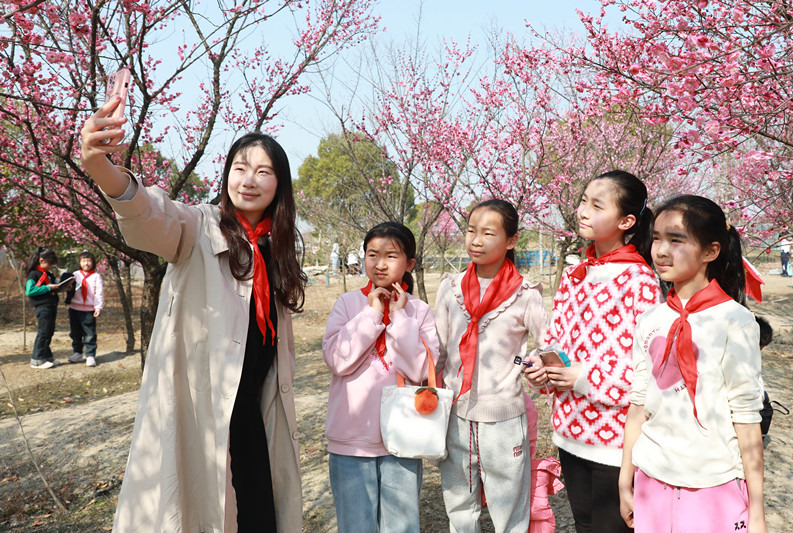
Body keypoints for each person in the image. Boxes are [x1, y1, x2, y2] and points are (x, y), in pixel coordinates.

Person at [80, 96, 306, 531]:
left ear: (280, 184)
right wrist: (98, 165)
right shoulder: (199, 227)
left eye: (264, 171)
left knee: (261, 513)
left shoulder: (276, 249)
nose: (249, 180)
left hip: (254, 413)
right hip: (206, 410)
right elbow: (147, 212)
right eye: (240, 168)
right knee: (204, 509)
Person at [523, 170, 662, 533]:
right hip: (569, 434)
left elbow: (648, 375)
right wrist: (543, 368)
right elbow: (556, 342)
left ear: (626, 221)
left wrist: (582, 378)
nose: (583, 210)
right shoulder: (574, 275)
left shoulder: (641, 281)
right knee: (584, 525)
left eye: (596, 205)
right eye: (584, 200)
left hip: (616, 443)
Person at [619, 195, 766, 533]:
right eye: (656, 238)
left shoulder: (735, 321)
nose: (661, 250)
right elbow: (638, 405)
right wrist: (626, 478)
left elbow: (746, 419)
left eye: (676, 240)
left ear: (711, 251)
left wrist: (756, 510)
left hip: (712, 487)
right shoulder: (650, 318)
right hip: (651, 479)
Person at [435, 198, 549, 532]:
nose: (476, 241)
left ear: (511, 240)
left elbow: (549, 347)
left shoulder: (526, 294)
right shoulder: (449, 288)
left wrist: (528, 363)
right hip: (455, 414)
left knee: (509, 508)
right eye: (471, 231)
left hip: (503, 420)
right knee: (459, 507)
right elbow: (439, 351)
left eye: (488, 233)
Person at [323, 222, 438, 533]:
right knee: (355, 526)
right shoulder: (348, 304)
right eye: (372, 255)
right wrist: (373, 314)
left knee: (401, 526)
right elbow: (337, 360)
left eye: (391, 255)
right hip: (351, 441)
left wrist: (400, 317)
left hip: (401, 440)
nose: (380, 263)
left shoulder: (420, 311)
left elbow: (419, 371)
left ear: (410, 263)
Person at [25, 247, 71, 369]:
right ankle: (37, 359)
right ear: (41, 260)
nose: (51, 266)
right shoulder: (34, 274)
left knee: (49, 332)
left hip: (51, 305)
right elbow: (30, 290)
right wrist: (48, 288)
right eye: (49, 263)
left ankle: (47, 357)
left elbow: (54, 285)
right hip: (42, 307)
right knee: (43, 332)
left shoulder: (49, 274)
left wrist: (64, 287)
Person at [66, 250, 104, 367]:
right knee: (75, 332)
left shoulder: (96, 276)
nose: (86, 263)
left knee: (90, 333)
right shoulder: (75, 274)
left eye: (89, 261)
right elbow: (69, 288)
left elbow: (99, 293)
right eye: (83, 261)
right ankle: (77, 353)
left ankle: (90, 355)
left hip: (88, 310)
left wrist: (98, 307)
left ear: (93, 263)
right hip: (74, 308)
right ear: (79, 262)